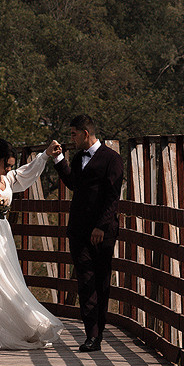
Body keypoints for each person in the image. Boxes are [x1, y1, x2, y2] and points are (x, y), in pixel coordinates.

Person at [0, 139, 65, 350]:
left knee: (9, 281)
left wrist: (45, 155)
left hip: (1, 237)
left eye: (10, 166)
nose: (8, 169)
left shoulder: (8, 178)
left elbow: (27, 173)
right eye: (5, 165)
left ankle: (22, 325)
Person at [50, 114, 124, 353]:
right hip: (79, 230)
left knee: (100, 282)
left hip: (103, 232)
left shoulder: (112, 159)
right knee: (84, 281)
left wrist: (101, 227)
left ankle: (98, 332)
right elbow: (74, 184)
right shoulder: (80, 156)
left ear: (85, 133)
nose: (71, 138)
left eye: (73, 134)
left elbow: (113, 197)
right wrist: (59, 158)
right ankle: (91, 335)